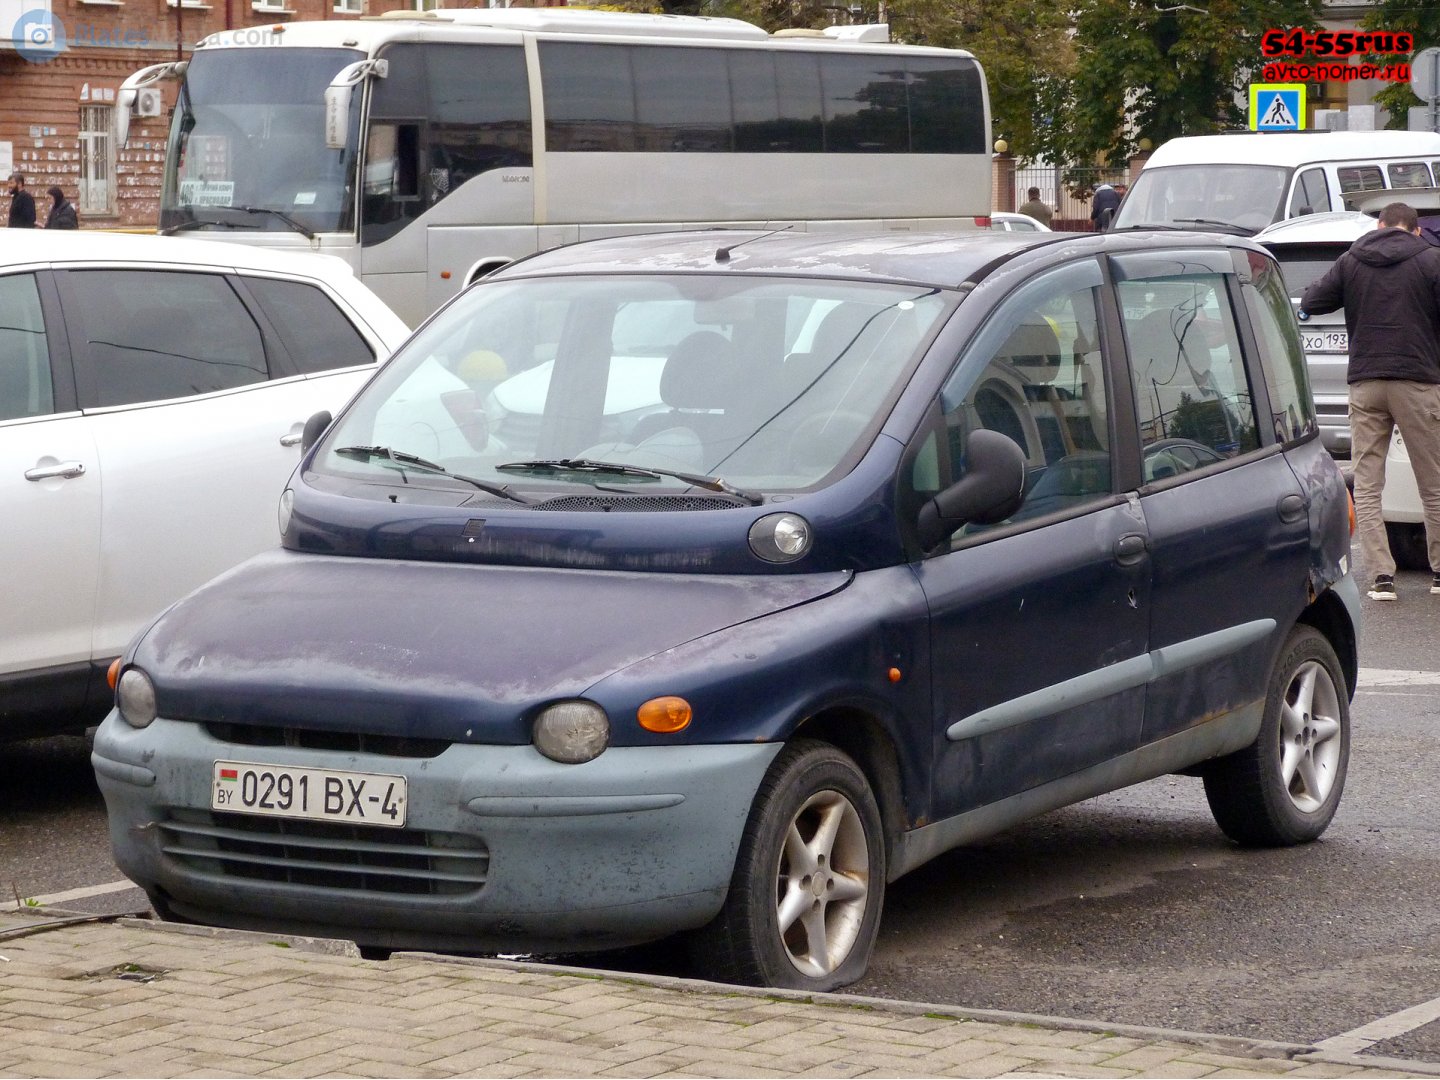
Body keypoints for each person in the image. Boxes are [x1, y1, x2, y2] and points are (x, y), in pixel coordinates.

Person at [1301, 201, 1440, 601]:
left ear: (1380, 226)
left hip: (1365, 382)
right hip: (1418, 381)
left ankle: (1381, 577)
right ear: (1415, 230)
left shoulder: (1352, 259)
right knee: (1432, 482)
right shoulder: (1431, 260)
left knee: (1366, 483)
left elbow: (1312, 302)